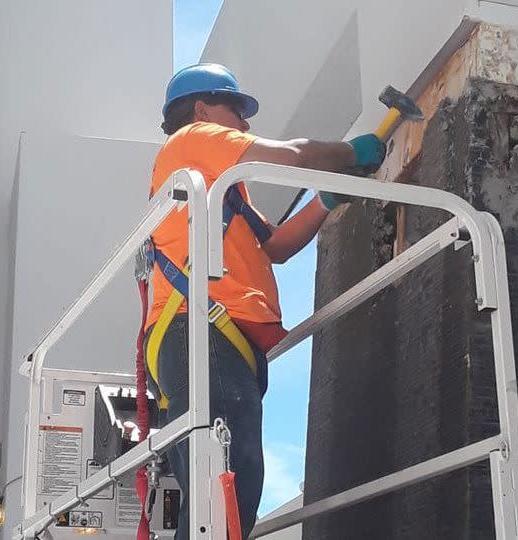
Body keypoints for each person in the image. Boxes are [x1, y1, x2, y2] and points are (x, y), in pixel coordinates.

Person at [144, 63, 386, 540]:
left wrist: (327, 199)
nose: (245, 124)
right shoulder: (192, 139)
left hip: (207, 339)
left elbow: (273, 246)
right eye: (237, 110)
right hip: (201, 333)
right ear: (201, 109)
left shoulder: (219, 187)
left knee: (217, 497)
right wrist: (347, 152)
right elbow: (293, 154)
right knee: (227, 493)